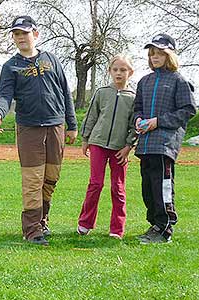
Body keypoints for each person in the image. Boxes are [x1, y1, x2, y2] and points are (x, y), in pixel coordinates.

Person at [0, 15, 78, 246]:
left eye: (24, 33)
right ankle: (32, 230)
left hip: (55, 125)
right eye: (16, 34)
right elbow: (5, 95)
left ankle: (42, 220)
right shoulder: (11, 66)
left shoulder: (52, 60)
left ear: (35, 34)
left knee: (51, 178)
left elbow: (65, 92)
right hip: (29, 128)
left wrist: (72, 124)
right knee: (32, 179)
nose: (20, 37)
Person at [134, 34, 196, 244]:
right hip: (145, 145)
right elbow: (137, 109)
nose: (155, 57)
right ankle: (154, 224)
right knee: (148, 188)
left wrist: (158, 122)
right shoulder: (144, 81)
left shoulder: (179, 80)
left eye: (160, 53)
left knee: (162, 186)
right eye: (152, 53)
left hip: (165, 144)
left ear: (169, 55)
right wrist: (139, 120)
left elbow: (188, 110)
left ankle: (165, 227)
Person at [76, 54, 137, 239]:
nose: (119, 73)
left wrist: (128, 146)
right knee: (95, 183)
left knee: (117, 187)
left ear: (130, 73)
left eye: (123, 70)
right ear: (110, 71)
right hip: (98, 143)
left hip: (120, 148)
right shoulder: (102, 92)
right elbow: (91, 116)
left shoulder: (134, 98)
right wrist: (85, 139)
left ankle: (117, 228)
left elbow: (134, 124)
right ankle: (85, 223)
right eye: (115, 69)